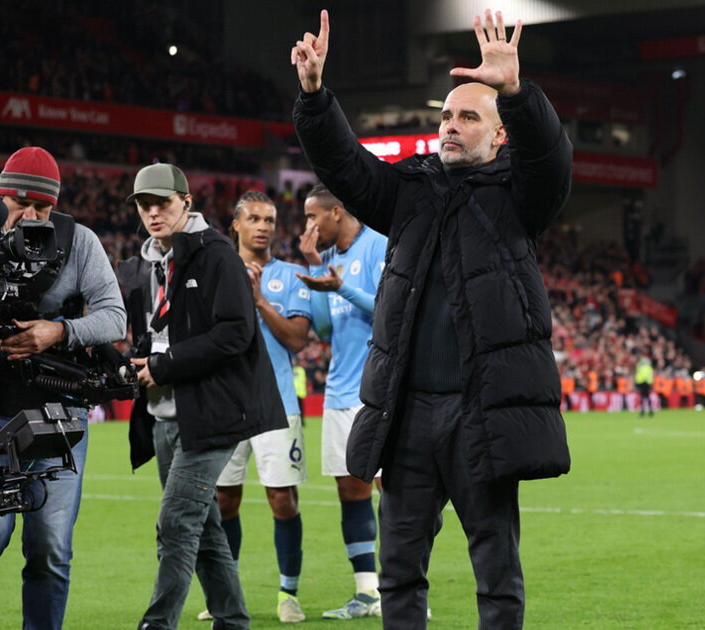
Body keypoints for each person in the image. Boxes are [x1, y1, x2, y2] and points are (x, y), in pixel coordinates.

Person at [291, 9, 572, 628]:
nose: (450, 125)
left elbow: (552, 161)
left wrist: (516, 92)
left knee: (496, 570)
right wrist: (314, 97)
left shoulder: (519, 197)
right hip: (408, 413)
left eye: (468, 117)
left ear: (499, 136)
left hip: (481, 413)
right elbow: (345, 166)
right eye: (446, 115)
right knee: (398, 570)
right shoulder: (409, 192)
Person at [0, 147, 126, 630]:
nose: (32, 216)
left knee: (50, 548)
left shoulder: (80, 242)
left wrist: (59, 331)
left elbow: (115, 317)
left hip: (60, 410)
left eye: (43, 208)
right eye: (21, 204)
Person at [118, 163, 287, 630]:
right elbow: (154, 333)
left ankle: (157, 624)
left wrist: (164, 365)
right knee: (206, 531)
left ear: (186, 202)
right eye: (144, 205)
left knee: (176, 523)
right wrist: (136, 362)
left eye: (163, 203)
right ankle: (231, 620)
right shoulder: (143, 263)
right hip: (163, 415)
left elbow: (236, 333)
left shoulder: (216, 255)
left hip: (213, 413)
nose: (153, 213)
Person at [194, 190, 314, 623]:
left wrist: (259, 299)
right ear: (237, 225)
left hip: (275, 403)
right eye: (255, 219)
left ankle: (288, 593)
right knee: (225, 501)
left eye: (270, 220)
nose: (263, 226)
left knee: (282, 499)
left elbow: (297, 340)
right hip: (226, 405)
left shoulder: (293, 276)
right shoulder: (213, 273)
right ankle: (227, 596)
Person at [295, 184, 388, 619]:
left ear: (336, 211)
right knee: (351, 491)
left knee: (394, 493)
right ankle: (367, 593)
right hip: (338, 391)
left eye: (312, 217)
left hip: (379, 391)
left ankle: (404, 588)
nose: (308, 226)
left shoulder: (378, 245)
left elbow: (389, 310)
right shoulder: (329, 258)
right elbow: (323, 328)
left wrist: (341, 287)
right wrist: (316, 267)